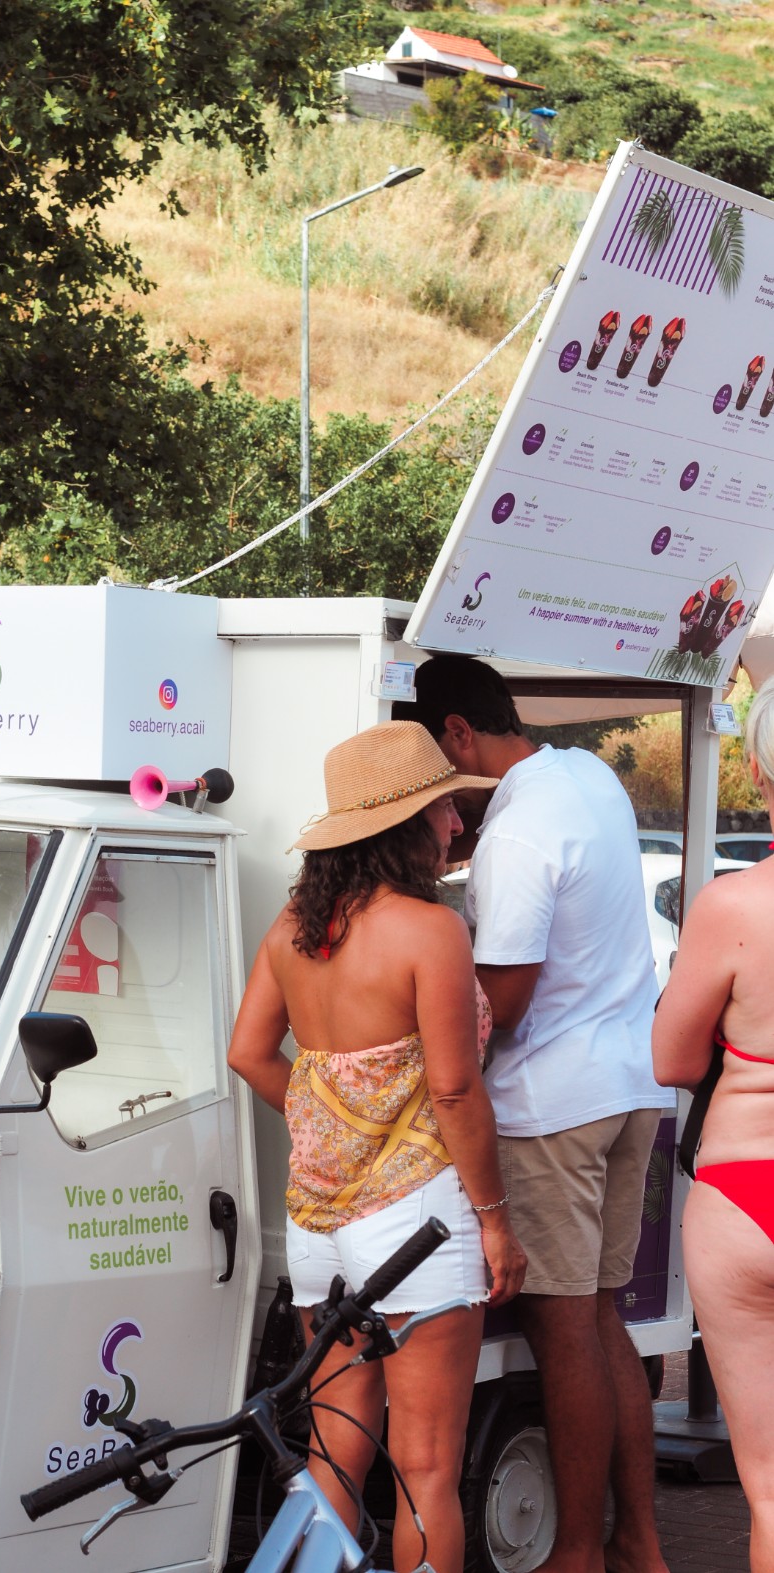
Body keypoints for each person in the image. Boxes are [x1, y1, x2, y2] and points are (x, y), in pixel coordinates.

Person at [227, 720, 526, 1573]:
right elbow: (456, 1089)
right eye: (441, 812)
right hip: (419, 1220)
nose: (456, 827)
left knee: (332, 1459)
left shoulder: (293, 929)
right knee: (427, 1467)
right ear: (401, 825)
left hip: (320, 1222)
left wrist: (333, 1119)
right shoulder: (429, 932)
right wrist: (497, 1220)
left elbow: (248, 1051)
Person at [412, 653, 674, 1573]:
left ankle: (574, 1548)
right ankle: (636, 1539)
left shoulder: (514, 835)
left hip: (552, 1104)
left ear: (457, 736)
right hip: (629, 1083)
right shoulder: (588, 773)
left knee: (563, 1328)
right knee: (603, 1321)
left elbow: (503, 1000)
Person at [653, 674, 774, 1573]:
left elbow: (672, 1061)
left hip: (742, 1185)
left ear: (763, 777)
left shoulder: (731, 907)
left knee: (769, 1486)